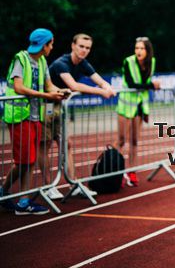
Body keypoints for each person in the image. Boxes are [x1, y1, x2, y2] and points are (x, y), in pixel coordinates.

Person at [42, 33, 117, 199]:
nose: (84, 50)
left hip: (59, 106)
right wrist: (101, 92)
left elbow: (98, 79)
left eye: (88, 48)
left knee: (66, 144)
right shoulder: (62, 63)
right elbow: (74, 86)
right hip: (46, 105)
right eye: (81, 46)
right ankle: (48, 187)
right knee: (45, 146)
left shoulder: (83, 63)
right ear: (73, 46)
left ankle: (73, 183)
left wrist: (107, 86)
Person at [1, 29, 67, 215]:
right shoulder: (20, 59)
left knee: (28, 161)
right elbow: (19, 87)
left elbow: (49, 85)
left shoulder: (43, 61)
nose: (52, 47)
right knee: (24, 161)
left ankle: (19, 198)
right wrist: (47, 95)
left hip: (34, 115)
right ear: (44, 44)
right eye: (51, 43)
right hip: (19, 115)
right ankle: (12, 196)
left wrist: (60, 91)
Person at [116, 37, 160, 186]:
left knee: (134, 140)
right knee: (121, 140)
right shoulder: (128, 61)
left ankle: (132, 171)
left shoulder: (151, 62)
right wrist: (152, 86)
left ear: (148, 51)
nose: (138, 51)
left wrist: (151, 85)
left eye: (142, 48)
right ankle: (116, 172)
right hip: (126, 106)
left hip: (140, 106)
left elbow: (146, 83)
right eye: (136, 48)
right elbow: (131, 84)